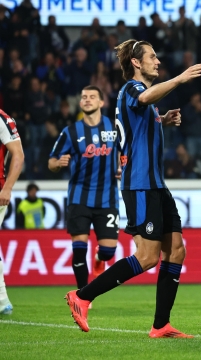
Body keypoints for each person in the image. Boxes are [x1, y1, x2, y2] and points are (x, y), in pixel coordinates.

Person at [64, 39, 201, 338]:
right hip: (140, 185)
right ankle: (83, 296)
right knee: (148, 256)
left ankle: (161, 325)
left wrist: (162, 120)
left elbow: (138, 125)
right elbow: (143, 101)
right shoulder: (132, 89)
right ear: (137, 63)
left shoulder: (147, 101)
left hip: (156, 185)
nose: (158, 61)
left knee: (176, 251)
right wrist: (179, 79)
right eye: (152, 57)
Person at [48, 86, 120, 292]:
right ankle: (83, 295)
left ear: (101, 102)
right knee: (79, 250)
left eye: (92, 97)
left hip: (107, 199)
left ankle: (99, 259)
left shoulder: (114, 128)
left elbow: (126, 152)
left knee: (108, 251)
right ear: (80, 103)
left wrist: (122, 166)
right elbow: (51, 162)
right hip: (79, 198)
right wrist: (57, 163)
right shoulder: (70, 132)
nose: (87, 100)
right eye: (84, 97)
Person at [0, 108, 25, 314]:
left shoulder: (2, 118)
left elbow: (18, 153)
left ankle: (2, 300)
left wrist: (7, 187)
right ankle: (3, 301)